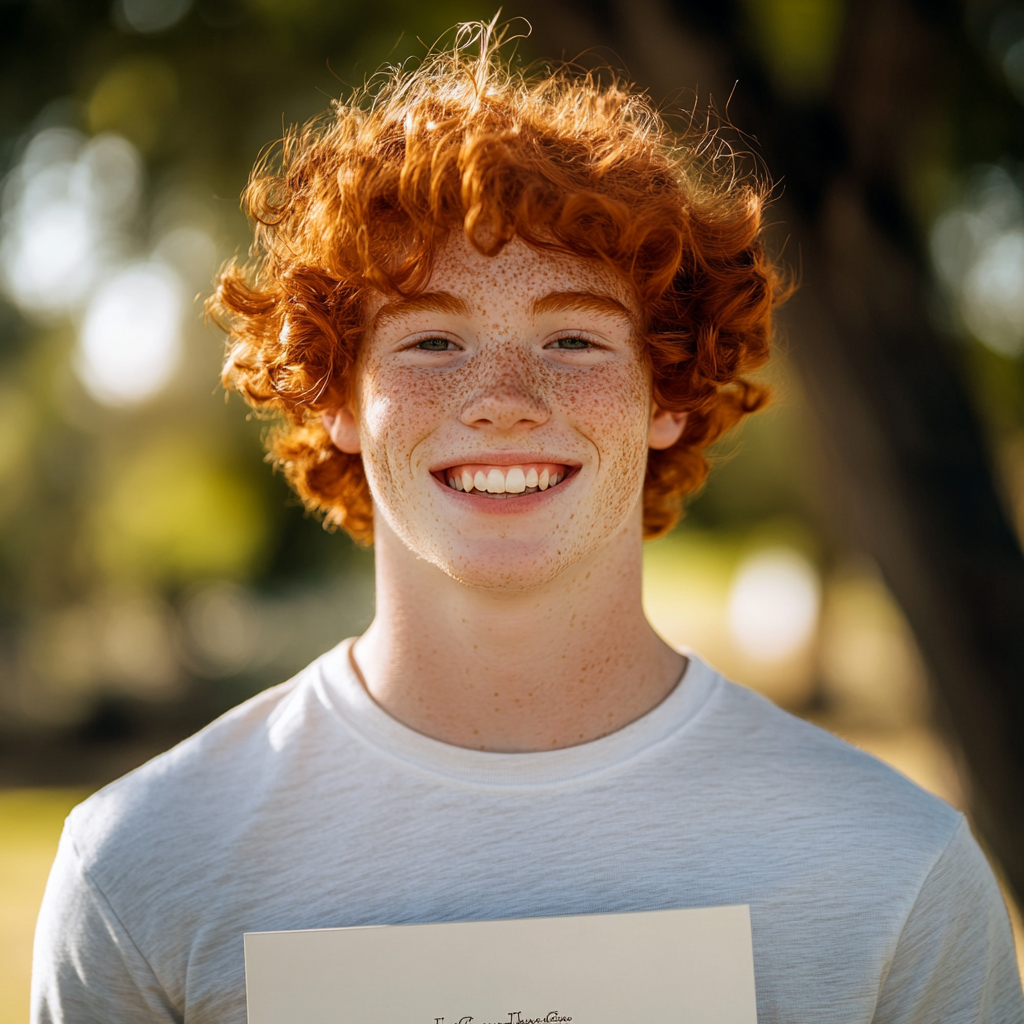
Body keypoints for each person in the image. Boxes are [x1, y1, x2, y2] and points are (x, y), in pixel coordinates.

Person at [31, 22, 1023, 1024]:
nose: (502, 397)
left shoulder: (896, 875)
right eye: (429, 338)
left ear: (667, 386)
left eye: (572, 336)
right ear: (335, 391)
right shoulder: (139, 871)